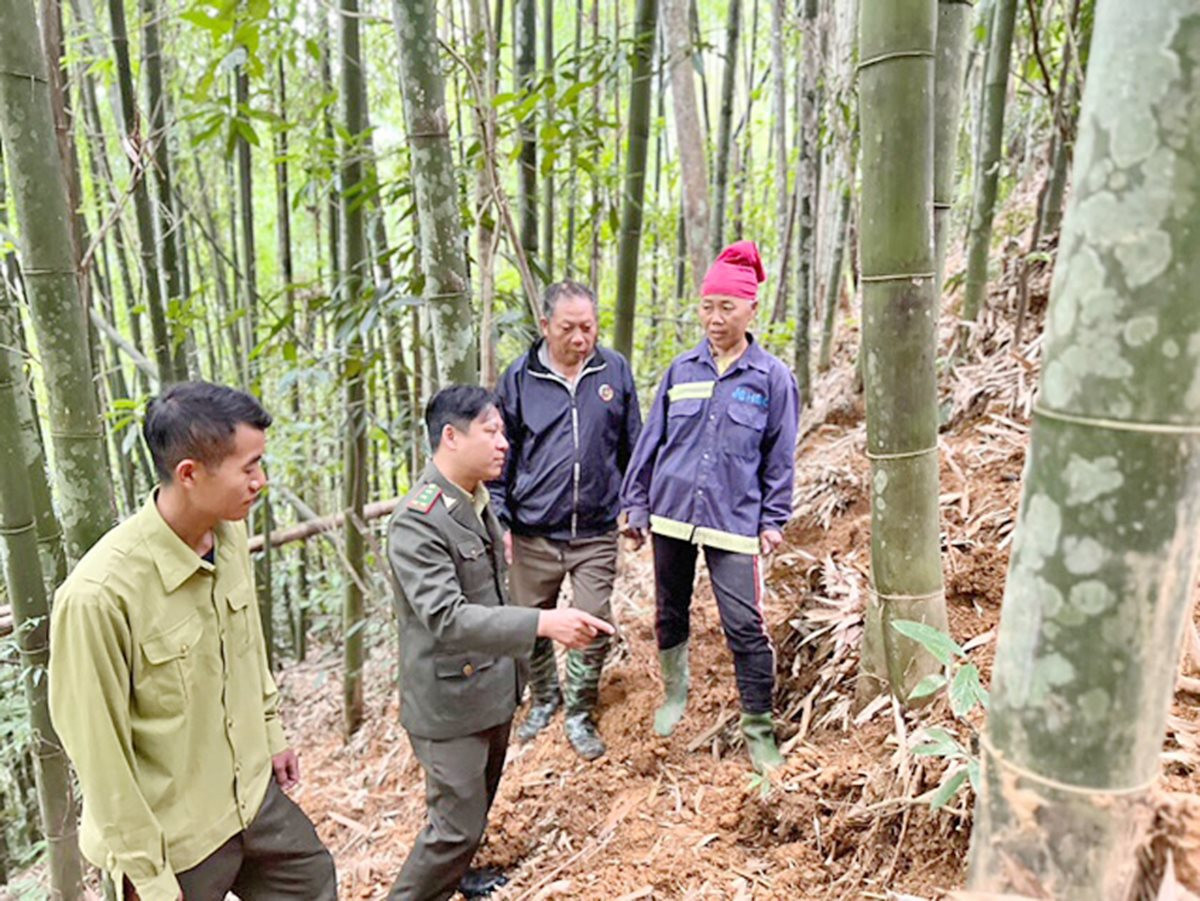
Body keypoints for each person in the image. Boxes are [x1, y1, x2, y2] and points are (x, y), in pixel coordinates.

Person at [48, 382, 336, 901]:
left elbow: (247, 649)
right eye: (248, 467)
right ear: (189, 474)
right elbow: (99, 757)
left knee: (312, 880)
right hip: (174, 837)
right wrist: (150, 877)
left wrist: (270, 732)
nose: (261, 481)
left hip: (250, 798)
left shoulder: (227, 538)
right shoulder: (98, 597)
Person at [387, 385, 613, 900]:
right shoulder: (418, 521)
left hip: (489, 689)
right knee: (453, 828)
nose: (503, 444)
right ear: (451, 436)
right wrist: (543, 624)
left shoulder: (474, 501)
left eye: (503, 433)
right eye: (491, 432)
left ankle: (459, 878)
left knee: (473, 811)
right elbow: (447, 617)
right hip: (450, 704)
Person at [619, 241, 800, 773]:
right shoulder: (681, 370)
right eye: (707, 306)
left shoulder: (771, 379)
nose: (715, 318)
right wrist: (635, 502)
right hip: (672, 511)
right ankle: (675, 695)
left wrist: (773, 519)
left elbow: (780, 454)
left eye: (727, 307)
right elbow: (652, 441)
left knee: (744, 623)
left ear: (751, 309)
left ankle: (759, 728)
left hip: (734, 519)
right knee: (669, 610)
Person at [490, 280, 642, 760]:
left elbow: (632, 444)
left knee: (594, 619)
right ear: (545, 326)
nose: (580, 339)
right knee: (530, 620)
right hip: (533, 529)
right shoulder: (518, 379)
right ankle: (545, 697)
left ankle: (578, 709)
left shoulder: (613, 369)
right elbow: (499, 457)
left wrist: (635, 504)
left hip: (596, 528)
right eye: (568, 328)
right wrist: (500, 519)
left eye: (589, 328)